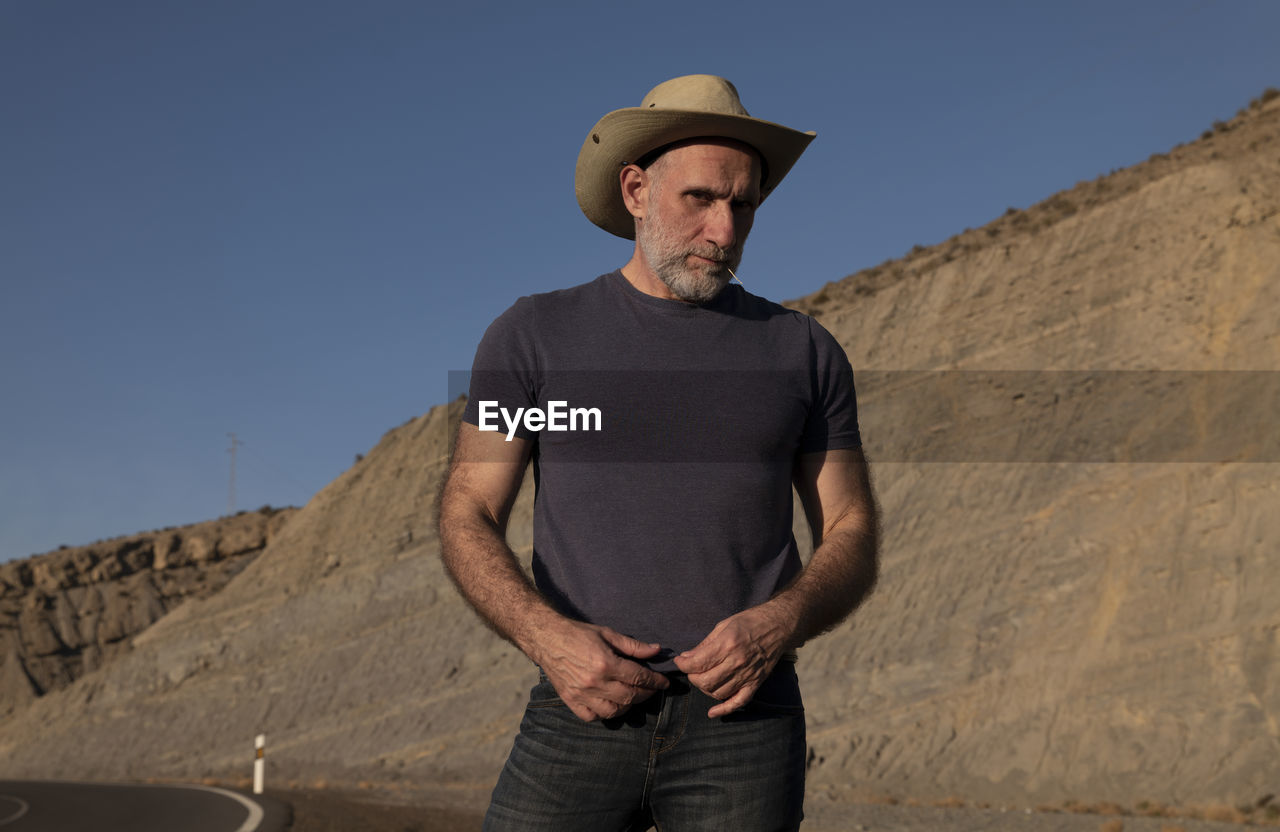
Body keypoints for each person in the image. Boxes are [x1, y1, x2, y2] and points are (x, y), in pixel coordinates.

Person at [438, 74, 879, 831]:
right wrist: (547, 639)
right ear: (637, 190)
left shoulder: (804, 352)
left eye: (743, 205)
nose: (726, 231)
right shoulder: (534, 336)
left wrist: (780, 622)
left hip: (745, 726)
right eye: (701, 199)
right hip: (580, 708)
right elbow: (469, 509)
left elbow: (851, 529)